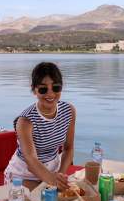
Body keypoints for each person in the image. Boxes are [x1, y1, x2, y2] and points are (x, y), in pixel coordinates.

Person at [4, 62, 76, 191]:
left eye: (56, 87)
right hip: (24, 175)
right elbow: (31, 160)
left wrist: (60, 175)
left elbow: (69, 148)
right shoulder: (25, 121)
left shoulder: (68, 111)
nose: (50, 94)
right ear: (34, 89)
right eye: (43, 89)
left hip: (53, 171)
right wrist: (53, 181)